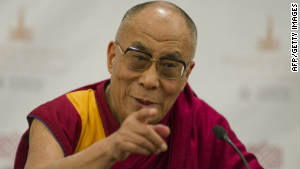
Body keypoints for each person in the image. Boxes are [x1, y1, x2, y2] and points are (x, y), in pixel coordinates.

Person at [14, 1, 263, 169]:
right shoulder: (66, 117)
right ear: (113, 57)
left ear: (187, 74)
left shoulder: (204, 125)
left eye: (169, 66)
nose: (150, 80)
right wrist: (111, 149)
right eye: (138, 59)